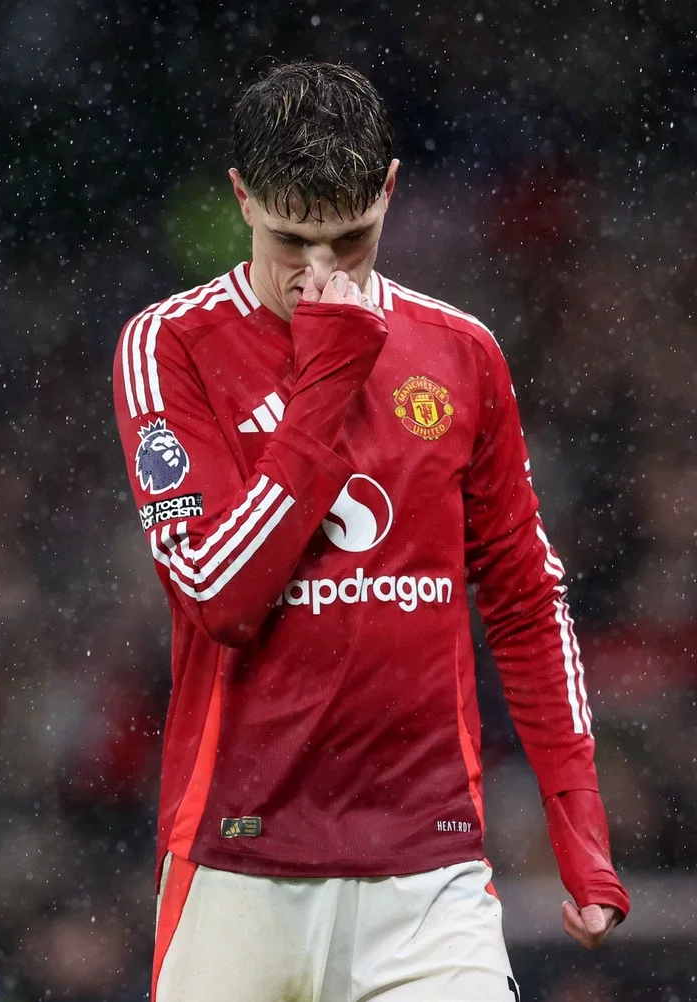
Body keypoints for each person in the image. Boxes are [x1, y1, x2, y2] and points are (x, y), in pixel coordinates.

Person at [113, 61, 629, 1002]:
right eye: (291, 241)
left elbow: (523, 598)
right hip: (239, 867)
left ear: (390, 189)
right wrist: (327, 378)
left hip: (428, 877)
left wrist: (578, 828)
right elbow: (219, 598)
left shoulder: (461, 354)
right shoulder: (169, 345)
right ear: (241, 198)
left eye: (349, 241)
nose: (320, 276)